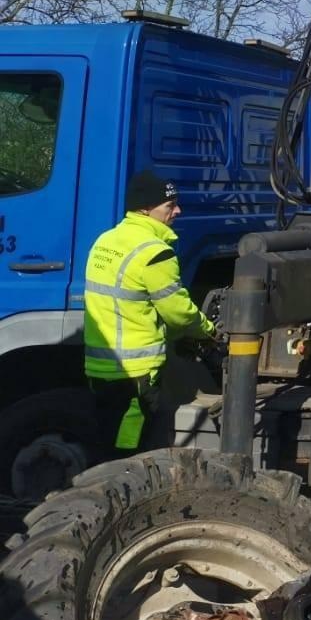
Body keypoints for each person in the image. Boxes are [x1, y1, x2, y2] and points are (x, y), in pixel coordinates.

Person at [84, 171, 215, 456]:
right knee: (131, 453)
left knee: (107, 443)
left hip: (100, 366)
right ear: (145, 209)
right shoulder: (155, 253)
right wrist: (208, 329)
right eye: (169, 206)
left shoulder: (105, 241)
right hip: (138, 372)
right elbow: (178, 313)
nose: (177, 210)